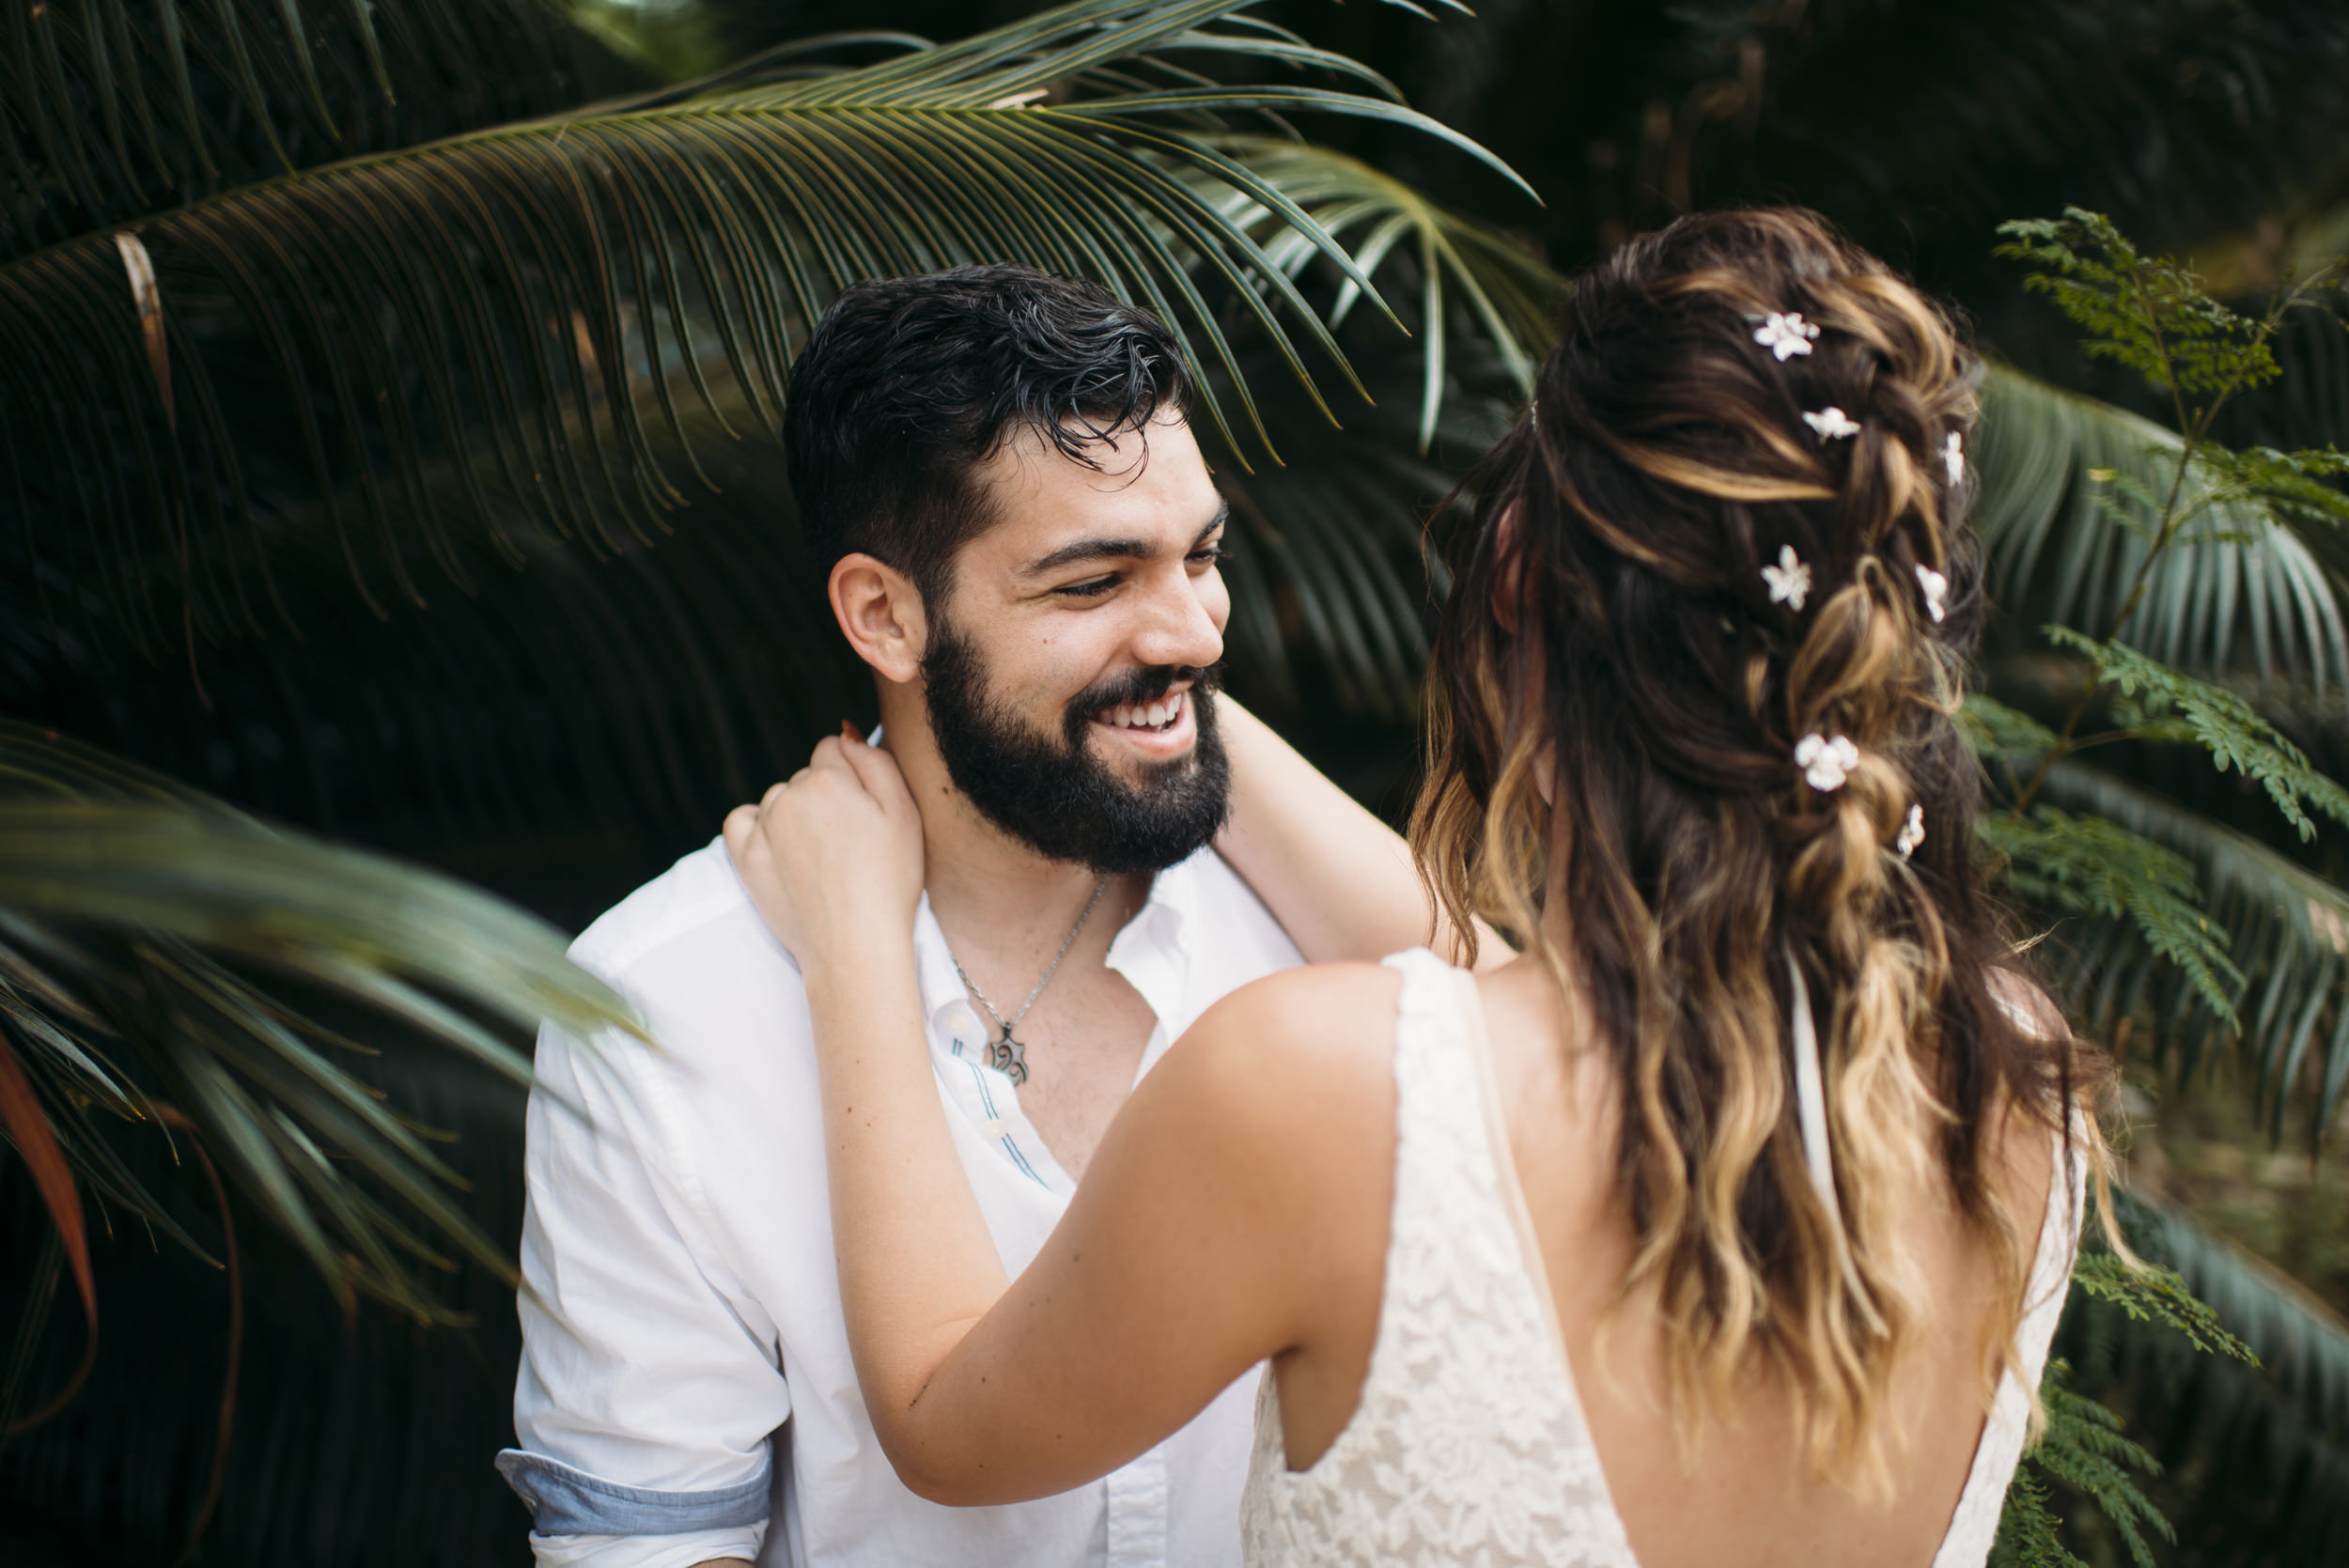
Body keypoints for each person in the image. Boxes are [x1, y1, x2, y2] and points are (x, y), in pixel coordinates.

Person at [723, 209, 2109, 1568]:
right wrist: (1148, 679)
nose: (1196, 616)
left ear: (1509, 582)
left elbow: (939, 1417)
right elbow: (1505, 990)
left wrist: (854, 938)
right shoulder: (2014, 1082)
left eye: (1198, 567)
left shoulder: (1319, 1088)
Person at [499, 265, 1477, 1568]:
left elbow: (1526, 1051)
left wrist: (1137, 682)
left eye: (1202, 556)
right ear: (884, 614)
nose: (1195, 628)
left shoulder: (1315, 919)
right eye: (1092, 580)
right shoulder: (657, 1007)